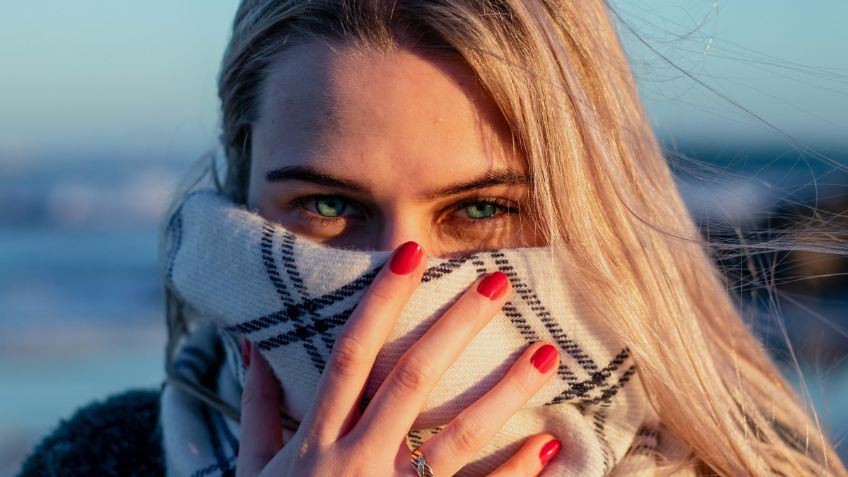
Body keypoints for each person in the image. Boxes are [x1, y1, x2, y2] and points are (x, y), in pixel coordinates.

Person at [17, 0, 847, 476]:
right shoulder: (101, 457)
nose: (398, 286)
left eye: (481, 210)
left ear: (590, 212)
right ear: (240, 203)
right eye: (326, 205)